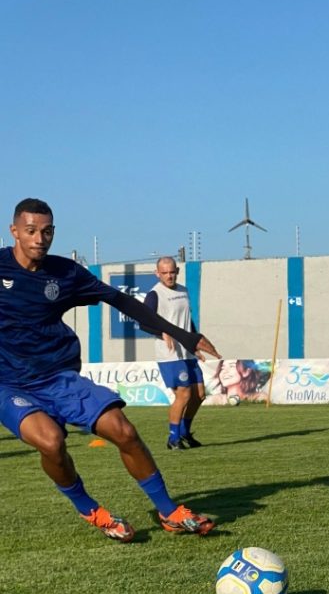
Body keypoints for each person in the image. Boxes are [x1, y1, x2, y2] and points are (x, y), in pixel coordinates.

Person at [0, 199, 219, 542]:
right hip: (10, 384)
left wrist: (184, 335)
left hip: (60, 377)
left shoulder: (65, 273)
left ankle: (170, 512)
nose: (39, 238)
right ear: (14, 232)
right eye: (30, 231)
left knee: (124, 431)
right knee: (52, 443)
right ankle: (91, 510)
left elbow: (121, 301)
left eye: (47, 231)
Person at [142, 256, 205, 450]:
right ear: (157, 273)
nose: (169, 276)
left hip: (187, 353)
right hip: (170, 354)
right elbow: (143, 323)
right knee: (184, 394)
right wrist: (161, 332)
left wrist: (195, 343)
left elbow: (188, 321)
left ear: (177, 271)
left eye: (172, 272)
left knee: (199, 395)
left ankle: (185, 433)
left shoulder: (184, 291)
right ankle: (173, 438)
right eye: (165, 273)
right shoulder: (154, 294)